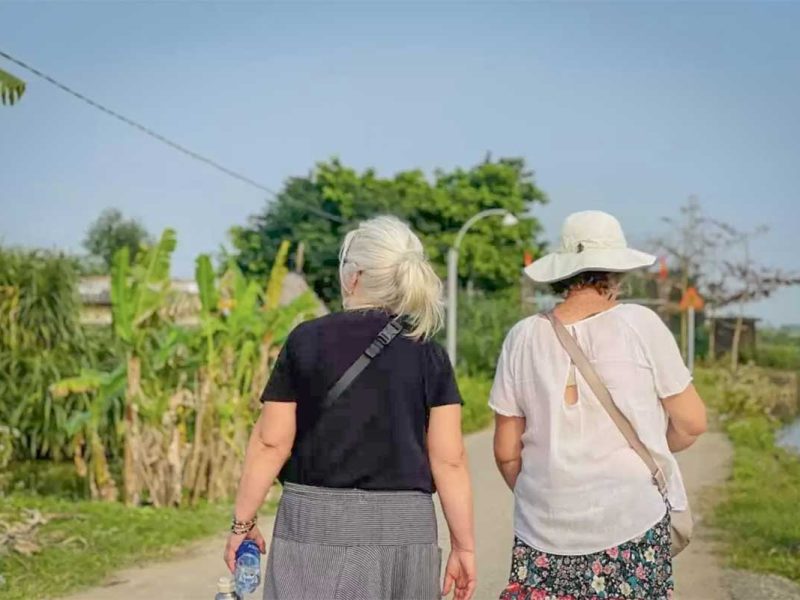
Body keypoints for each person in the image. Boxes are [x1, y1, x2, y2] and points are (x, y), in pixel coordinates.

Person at [224, 215, 477, 600]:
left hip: (314, 528)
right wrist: (464, 547)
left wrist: (243, 524)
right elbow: (450, 460)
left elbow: (271, 443)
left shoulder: (306, 341)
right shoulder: (429, 353)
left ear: (353, 276)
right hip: (406, 532)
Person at [491, 210, 707, 600]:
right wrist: (646, 442)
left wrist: (551, 492)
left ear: (563, 271)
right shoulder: (640, 325)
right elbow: (691, 422)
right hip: (631, 518)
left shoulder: (522, 337)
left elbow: (507, 452)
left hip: (542, 530)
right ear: (616, 272)